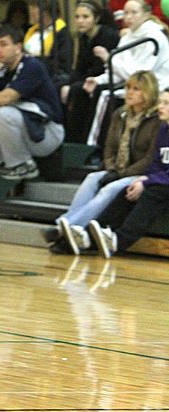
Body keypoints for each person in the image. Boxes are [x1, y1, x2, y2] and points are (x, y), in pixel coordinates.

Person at [43, 70, 161, 255]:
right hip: (118, 169)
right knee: (92, 178)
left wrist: (121, 174)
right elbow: (109, 148)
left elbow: (150, 158)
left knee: (110, 188)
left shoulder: (157, 121)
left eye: (136, 89)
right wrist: (112, 168)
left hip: (139, 172)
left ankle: (65, 227)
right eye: (128, 87)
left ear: (148, 93)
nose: (129, 92)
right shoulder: (119, 114)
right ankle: (66, 225)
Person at [68, 87, 169, 259]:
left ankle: (118, 241)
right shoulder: (163, 130)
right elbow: (155, 164)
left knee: (153, 192)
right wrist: (145, 178)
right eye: (160, 102)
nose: (160, 106)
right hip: (162, 180)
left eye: (166, 103)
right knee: (128, 192)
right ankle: (89, 236)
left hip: (163, 185)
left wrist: (147, 182)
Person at [0, 24, 65, 180]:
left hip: (48, 133)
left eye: (4, 44)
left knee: (2, 114)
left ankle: (22, 166)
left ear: (18, 47)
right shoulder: (2, 69)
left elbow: (6, 97)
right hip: (27, 130)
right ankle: (4, 165)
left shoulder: (31, 66)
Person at [83, 0, 169, 145]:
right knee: (88, 90)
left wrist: (108, 58)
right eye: (126, 13)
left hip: (155, 85)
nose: (128, 17)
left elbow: (139, 75)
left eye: (134, 13)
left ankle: (93, 145)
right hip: (132, 83)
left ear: (146, 14)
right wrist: (100, 79)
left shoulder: (153, 37)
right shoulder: (128, 36)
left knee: (105, 96)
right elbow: (118, 69)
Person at [62, 0, 120, 143]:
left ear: (96, 18)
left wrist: (76, 84)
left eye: (85, 17)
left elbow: (101, 68)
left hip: (109, 78)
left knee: (78, 90)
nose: (80, 21)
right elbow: (80, 67)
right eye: (77, 17)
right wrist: (68, 84)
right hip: (90, 77)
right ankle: (65, 137)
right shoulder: (84, 37)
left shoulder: (108, 35)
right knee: (61, 85)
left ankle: (81, 140)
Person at [24, 0, 73, 89]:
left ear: (46, 11)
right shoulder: (31, 31)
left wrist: (34, 60)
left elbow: (61, 64)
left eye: (34, 7)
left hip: (48, 79)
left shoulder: (61, 33)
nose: (30, 11)